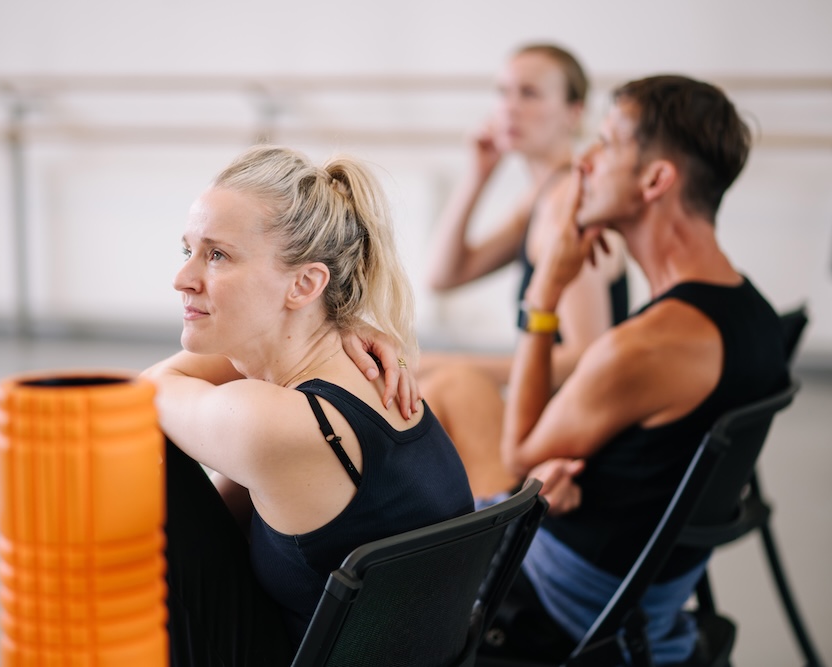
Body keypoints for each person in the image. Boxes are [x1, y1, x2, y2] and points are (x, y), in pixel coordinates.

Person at [481, 75, 790, 664]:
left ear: (655, 180)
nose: (584, 163)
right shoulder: (757, 315)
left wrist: (543, 295)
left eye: (606, 143)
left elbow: (520, 455)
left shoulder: (644, 349)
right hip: (640, 592)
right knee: (457, 396)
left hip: (557, 599)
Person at [141, 145, 475, 666]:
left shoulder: (275, 424)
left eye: (217, 255)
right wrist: (337, 321)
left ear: (305, 283)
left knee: (147, 452)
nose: (182, 278)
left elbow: (144, 393)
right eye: (188, 250)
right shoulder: (364, 378)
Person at [419, 44, 629, 502]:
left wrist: (450, 363)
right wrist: (478, 174)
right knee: (433, 386)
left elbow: (588, 357)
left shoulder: (565, 205)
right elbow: (443, 275)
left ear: (573, 112)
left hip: (572, 452)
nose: (509, 108)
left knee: (444, 384)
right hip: (553, 425)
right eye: (503, 92)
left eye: (529, 94)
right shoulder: (545, 195)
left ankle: (486, 534)